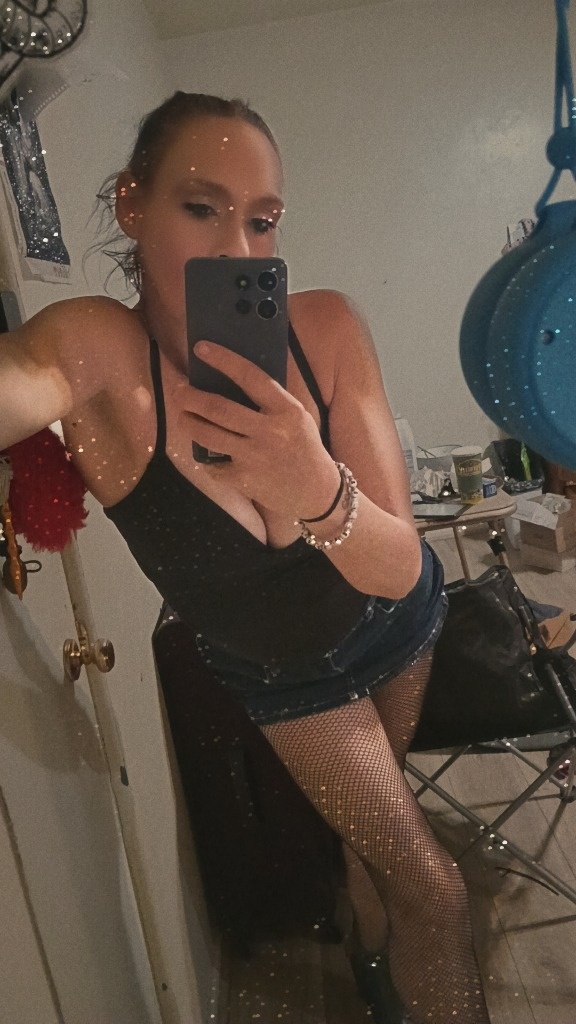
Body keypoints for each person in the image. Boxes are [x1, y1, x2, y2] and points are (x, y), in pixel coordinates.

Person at [0, 92, 490, 1024]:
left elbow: (397, 569)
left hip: (399, 626)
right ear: (133, 204)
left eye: (261, 221)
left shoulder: (327, 327)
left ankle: (363, 918)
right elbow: (20, 380)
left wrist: (315, 485)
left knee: (376, 843)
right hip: (289, 680)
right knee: (435, 885)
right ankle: (384, 954)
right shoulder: (97, 352)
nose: (237, 249)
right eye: (202, 207)